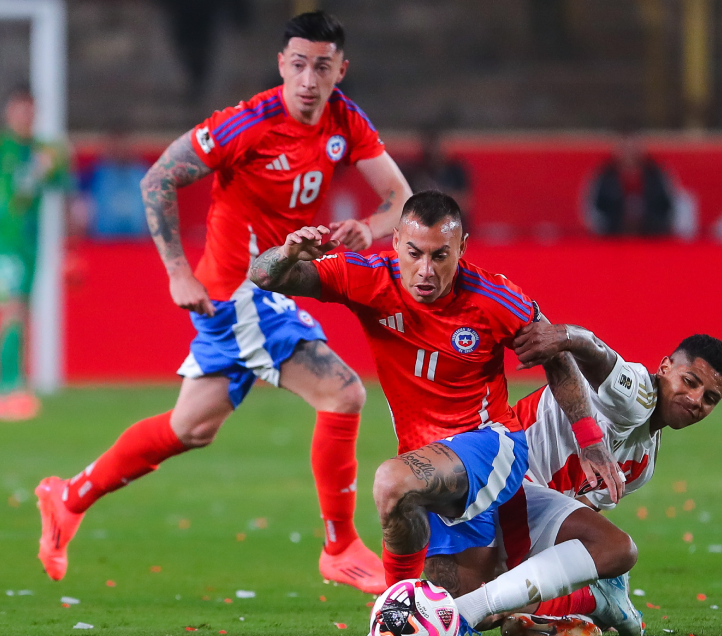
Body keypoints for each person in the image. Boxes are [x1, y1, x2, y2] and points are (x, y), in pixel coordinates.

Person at [32, 11, 412, 594]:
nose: (309, 79)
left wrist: (369, 224)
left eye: (323, 66)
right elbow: (157, 178)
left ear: (341, 69)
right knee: (343, 393)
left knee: (191, 427)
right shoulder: (249, 123)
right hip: (237, 292)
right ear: (282, 65)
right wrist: (177, 272)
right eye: (299, 65)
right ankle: (339, 547)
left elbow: (400, 198)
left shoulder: (344, 120)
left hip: (269, 288)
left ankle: (69, 497)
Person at [248, 191, 634, 635]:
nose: (426, 270)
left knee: (391, 483)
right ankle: (563, 616)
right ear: (395, 243)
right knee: (461, 611)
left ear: (462, 248)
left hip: (492, 446)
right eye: (414, 253)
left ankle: (391, 605)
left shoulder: (493, 297)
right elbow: (264, 276)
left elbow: (558, 357)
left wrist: (591, 440)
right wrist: (286, 253)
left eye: (439, 255)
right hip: (430, 465)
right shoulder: (366, 277)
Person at [493, 329, 722, 635]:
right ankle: (595, 600)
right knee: (485, 602)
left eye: (710, 398)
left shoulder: (642, 465)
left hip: (519, 511)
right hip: (497, 480)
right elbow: (596, 351)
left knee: (485, 605)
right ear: (664, 368)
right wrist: (566, 337)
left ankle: (563, 611)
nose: (696, 399)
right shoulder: (637, 392)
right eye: (689, 381)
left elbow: (575, 519)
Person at [0, 84, 74, 422]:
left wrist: (72, 248)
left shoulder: (47, 153)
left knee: (20, 314)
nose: (25, 116)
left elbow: (67, 194)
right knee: (13, 310)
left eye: (31, 110)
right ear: (9, 112)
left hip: (30, 244)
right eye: (20, 109)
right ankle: (7, 388)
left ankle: (5, 387)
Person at [583, 132, 676, 237]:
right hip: (613, 236)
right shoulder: (605, 175)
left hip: (651, 235)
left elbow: (667, 205)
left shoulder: (655, 174)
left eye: (633, 148)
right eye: (626, 148)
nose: (630, 153)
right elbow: (594, 208)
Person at [77, 127, 151, 239]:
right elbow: (79, 210)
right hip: (101, 244)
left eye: (124, 145)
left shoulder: (146, 175)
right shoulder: (91, 175)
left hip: (138, 246)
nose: (120, 150)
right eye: (115, 145)